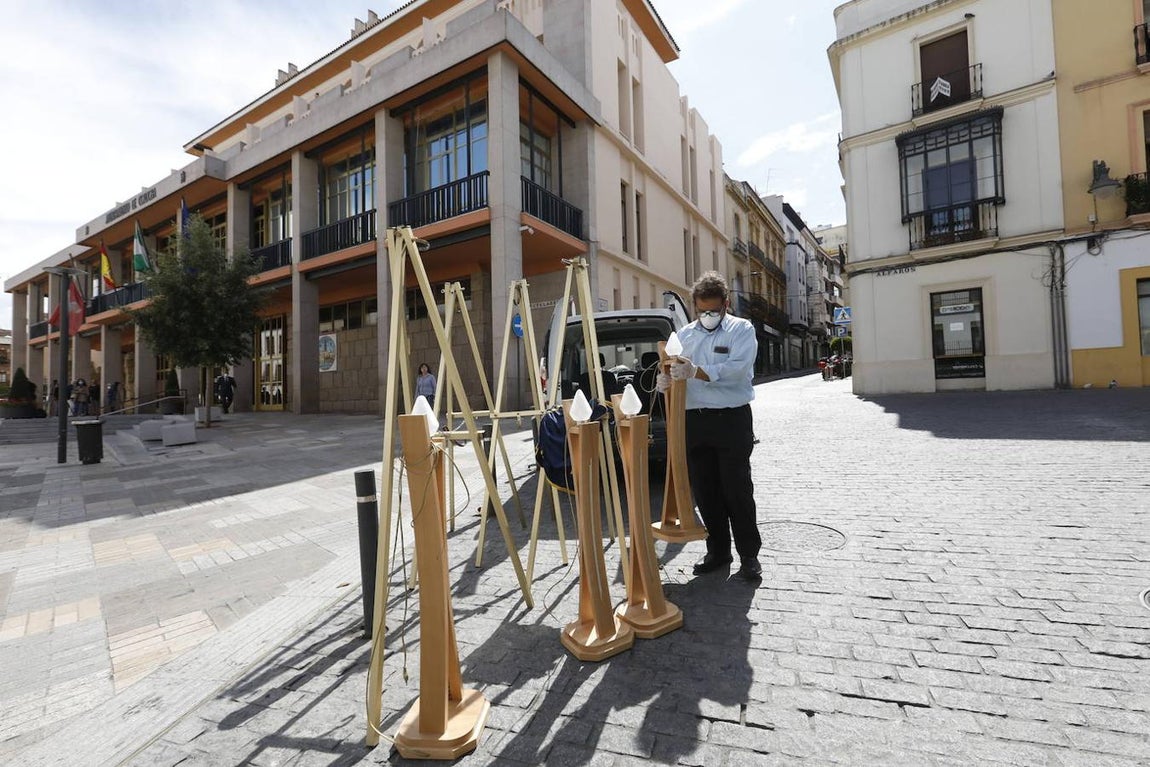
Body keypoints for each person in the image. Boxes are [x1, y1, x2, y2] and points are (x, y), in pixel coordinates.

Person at [657, 271, 761, 581]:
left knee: (737, 489)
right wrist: (666, 381)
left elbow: (737, 369)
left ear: (726, 304)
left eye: (714, 310)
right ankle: (717, 551)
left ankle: (749, 555)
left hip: (731, 419)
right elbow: (676, 368)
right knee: (706, 491)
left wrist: (696, 371)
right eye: (702, 310)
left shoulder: (742, 330)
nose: (708, 316)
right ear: (694, 306)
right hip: (695, 421)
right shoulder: (685, 335)